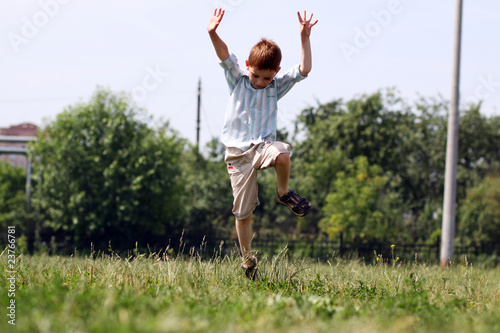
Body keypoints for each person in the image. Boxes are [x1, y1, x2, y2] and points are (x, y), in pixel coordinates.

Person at [207, 8, 318, 281]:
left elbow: (304, 70)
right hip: (237, 154)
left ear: (275, 73)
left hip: (262, 147)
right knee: (243, 214)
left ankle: (283, 193)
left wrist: (304, 37)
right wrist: (212, 32)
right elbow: (224, 55)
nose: (260, 82)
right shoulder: (238, 80)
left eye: (267, 78)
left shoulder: (275, 87)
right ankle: (248, 261)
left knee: (282, 153)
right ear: (248, 66)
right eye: (256, 75)